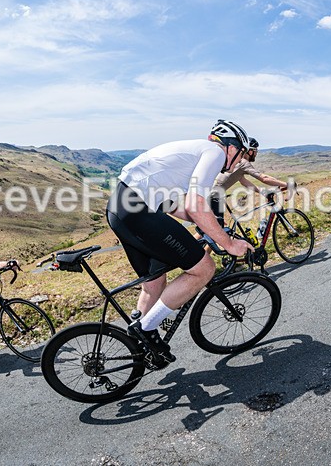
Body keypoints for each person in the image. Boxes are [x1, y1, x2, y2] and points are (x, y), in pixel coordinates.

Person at [106, 119, 254, 367]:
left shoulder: (191, 152)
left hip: (119, 209)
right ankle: (147, 328)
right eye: (239, 154)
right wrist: (228, 243)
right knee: (204, 269)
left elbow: (176, 206)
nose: (238, 161)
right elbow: (196, 204)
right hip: (138, 211)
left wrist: (210, 227)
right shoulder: (215, 153)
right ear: (231, 147)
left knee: (154, 282)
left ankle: (139, 344)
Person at [210, 137, 289, 227]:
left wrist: (263, 192)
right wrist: (287, 184)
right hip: (214, 196)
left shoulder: (237, 162)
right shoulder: (243, 163)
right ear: (250, 151)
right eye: (256, 151)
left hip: (212, 194)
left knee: (211, 227)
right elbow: (264, 178)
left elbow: (244, 182)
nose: (256, 154)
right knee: (214, 229)